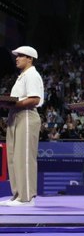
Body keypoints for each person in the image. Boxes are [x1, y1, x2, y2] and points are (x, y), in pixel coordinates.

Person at [0, 46, 44, 206]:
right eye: (17, 56)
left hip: (26, 114)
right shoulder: (22, 76)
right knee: (13, 156)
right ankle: (17, 194)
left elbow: (35, 99)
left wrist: (14, 103)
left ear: (30, 59)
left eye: (20, 56)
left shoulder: (32, 75)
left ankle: (26, 197)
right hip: (16, 114)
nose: (17, 58)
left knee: (24, 156)